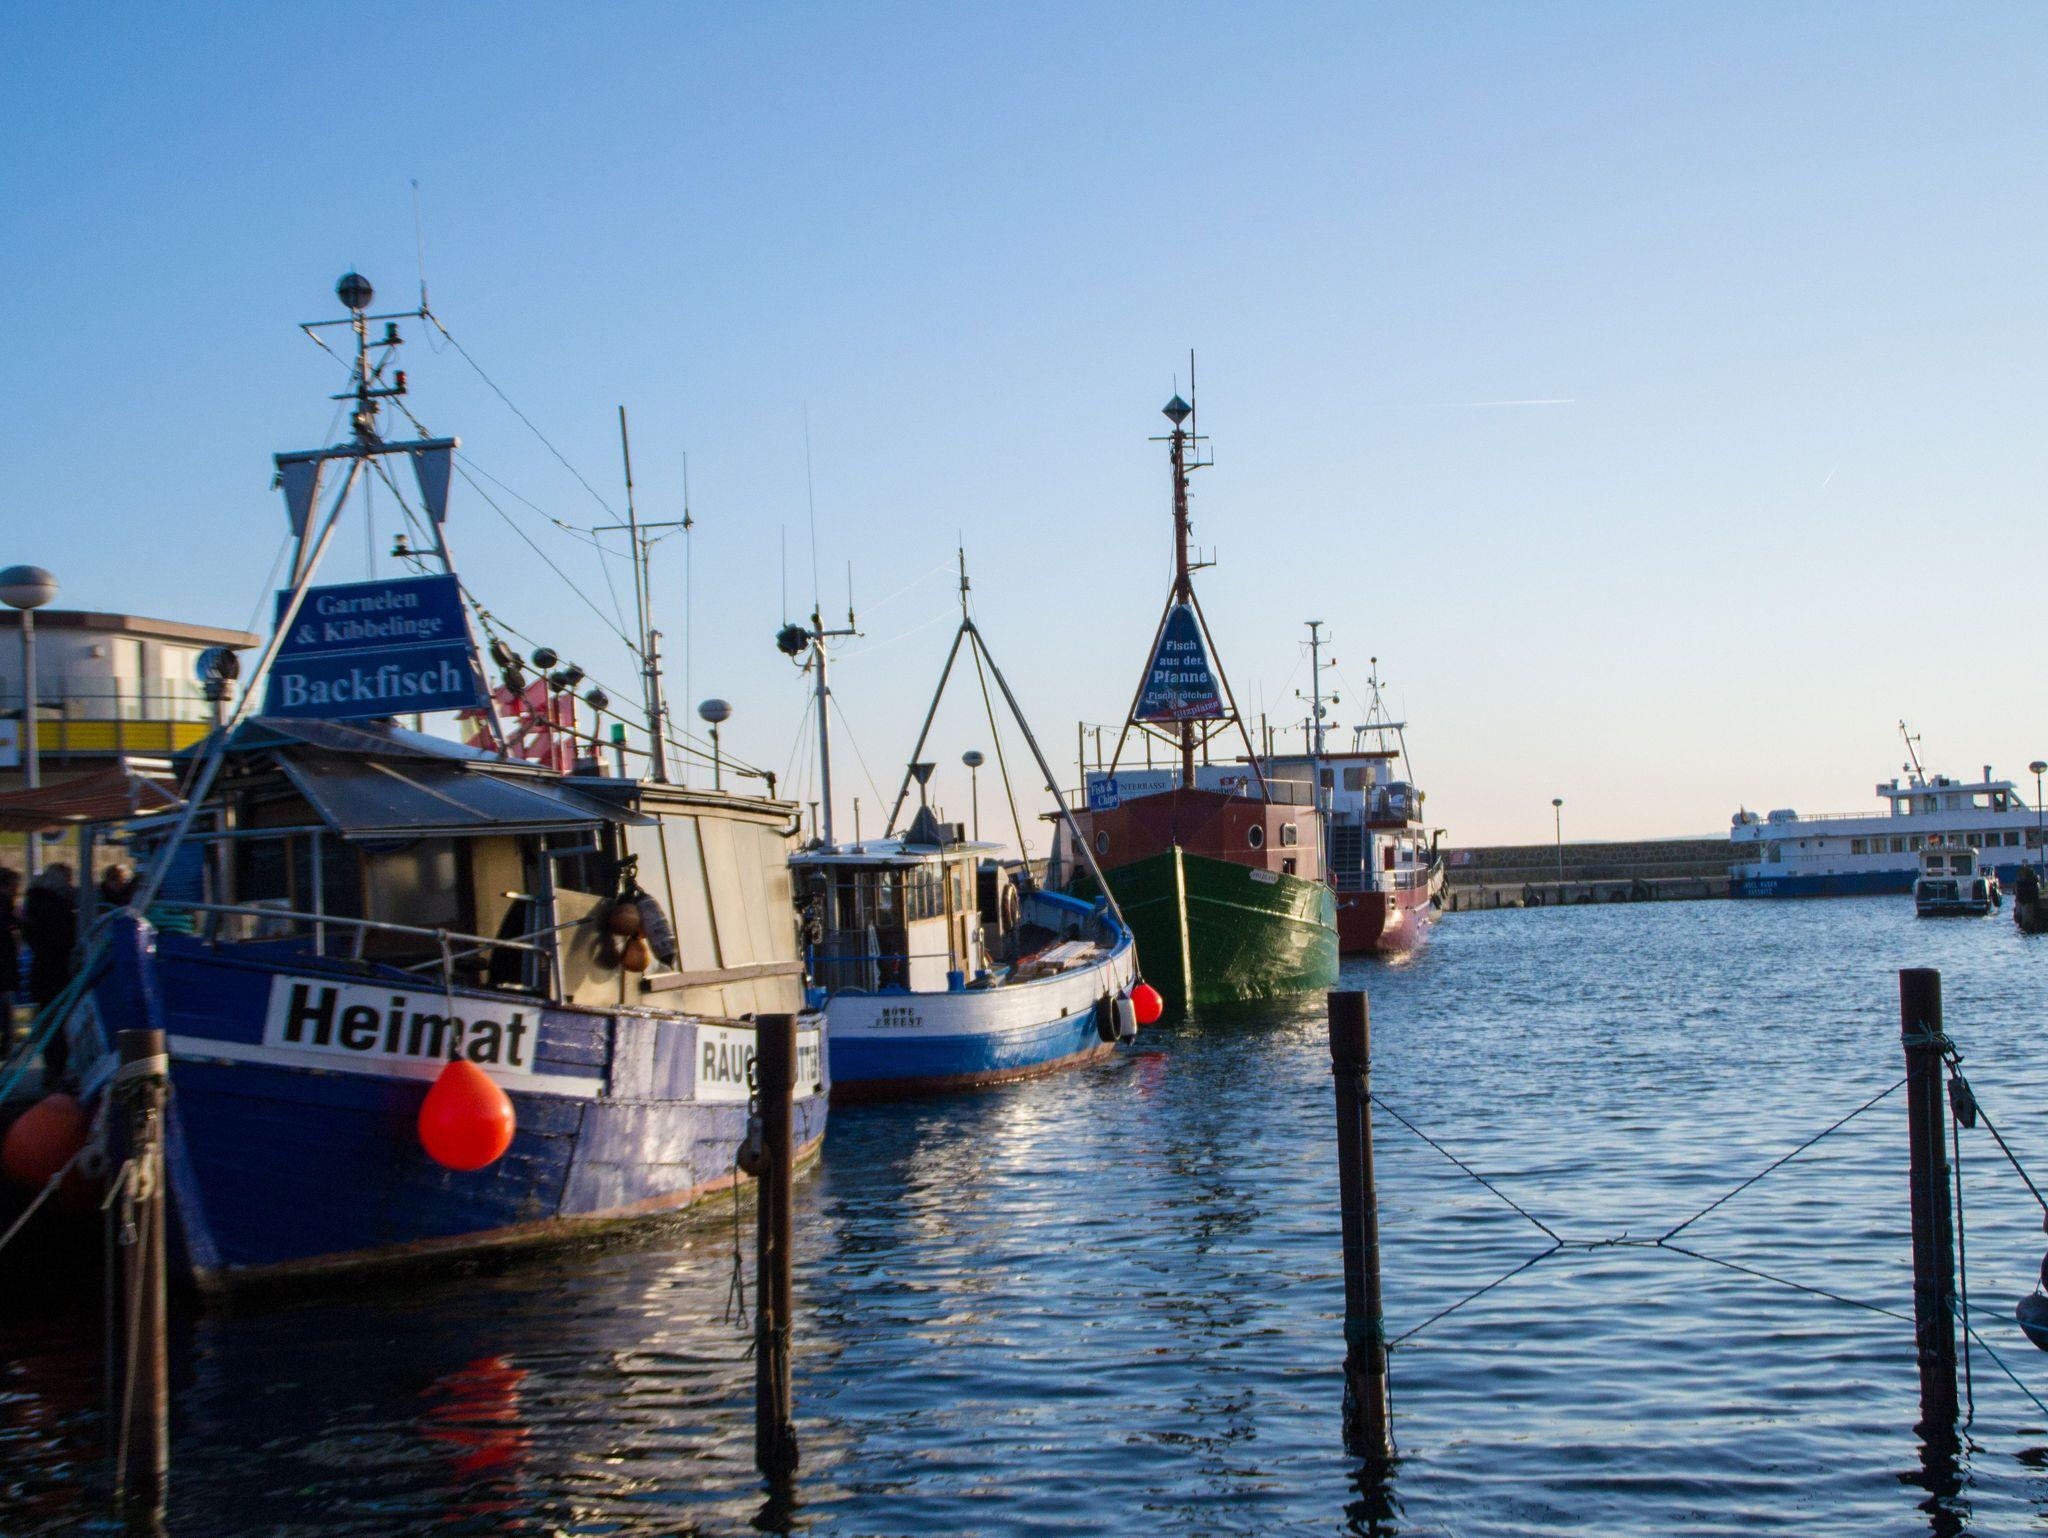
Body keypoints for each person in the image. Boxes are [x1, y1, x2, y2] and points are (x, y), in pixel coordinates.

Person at [21, 864, 79, 1089]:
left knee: (49, 1022)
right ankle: (60, 1071)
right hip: (59, 972)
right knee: (61, 1024)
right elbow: (63, 938)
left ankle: (53, 1070)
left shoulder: (32, 903)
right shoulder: (58, 905)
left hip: (41, 972)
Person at [0, 867, 19, 1053]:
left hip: (6, 964)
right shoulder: (6, 908)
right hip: (4, 965)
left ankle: (7, 1042)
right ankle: (7, 1043)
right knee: (5, 1004)